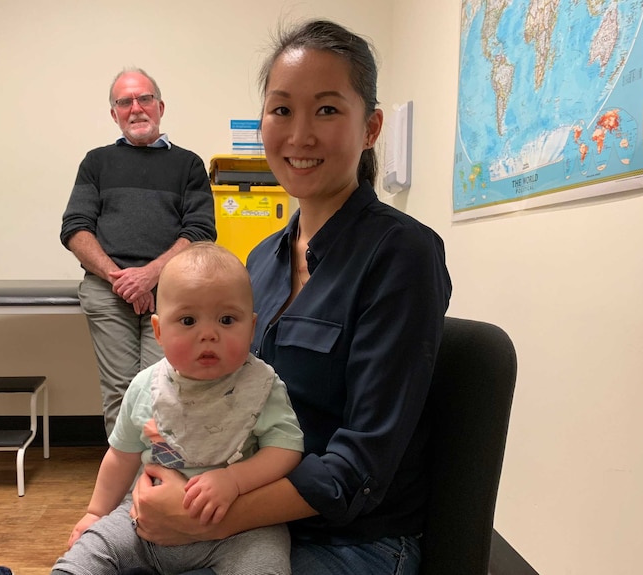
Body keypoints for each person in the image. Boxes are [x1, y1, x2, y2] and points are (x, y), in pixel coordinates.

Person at [127, 20, 452, 575]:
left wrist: (205, 518)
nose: (299, 135)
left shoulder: (402, 255)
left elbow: (359, 466)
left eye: (327, 110)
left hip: (352, 541)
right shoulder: (259, 260)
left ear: (371, 127)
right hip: (251, 517)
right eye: (281, 110)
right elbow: (232, 393)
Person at [52, 242, 305, 575]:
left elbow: (286, 448)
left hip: (239, 528)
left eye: (227, 320)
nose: (209, 334)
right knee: (92, 550)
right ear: (158, 331)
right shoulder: (146, 387)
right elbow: (121, 456)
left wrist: (234, 481)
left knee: (266, 561)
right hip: (144, 522)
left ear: (252, 327)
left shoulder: (260, 386)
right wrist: (95, 513)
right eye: (188, 320)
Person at [60, 68, 217, 437]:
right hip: (107, 290)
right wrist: (122, 279)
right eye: (124, 102)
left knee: (163, 388)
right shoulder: (96, 162)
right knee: (121, 392)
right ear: (114, 114)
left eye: (144, 98)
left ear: (160, 106)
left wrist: (150, 276)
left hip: (170, 293)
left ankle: (160, 478)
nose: (136, 108)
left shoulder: (189, 165)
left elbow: (200, 232)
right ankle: (130, 490)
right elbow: (75, 228)